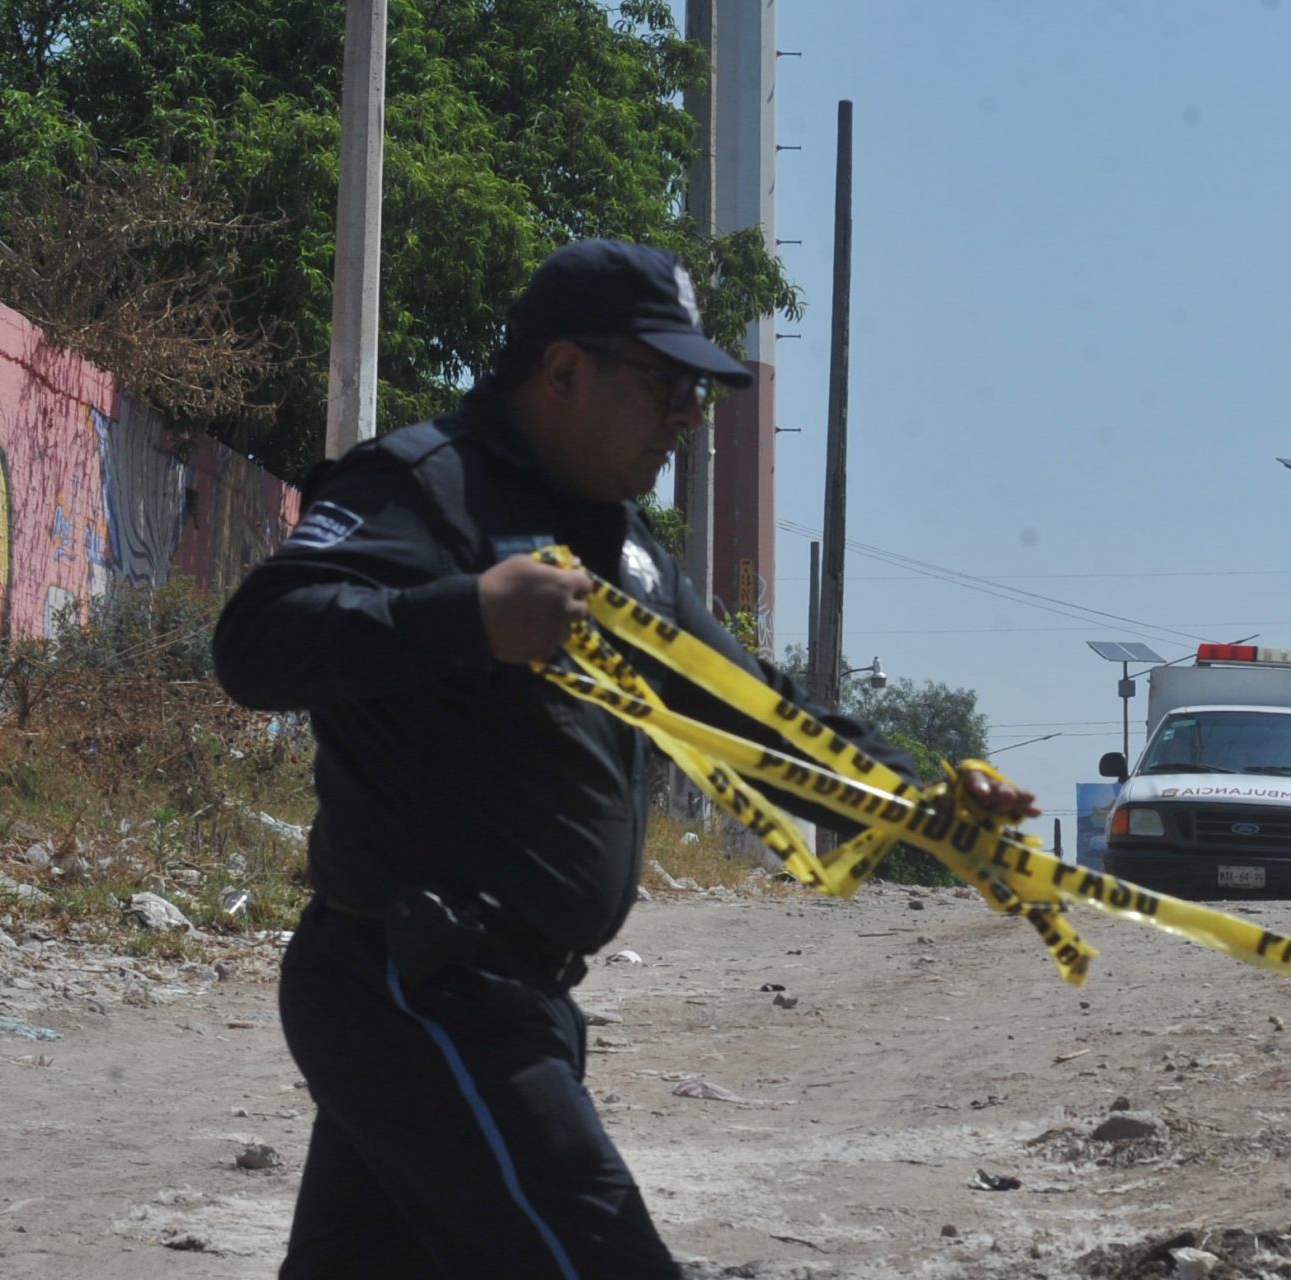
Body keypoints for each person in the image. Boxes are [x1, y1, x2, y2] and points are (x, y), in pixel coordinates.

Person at [212, 240, 1040, 1278]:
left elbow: (756, 717)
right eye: (664, 384)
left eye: (697, 391)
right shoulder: (425, 487)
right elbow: (256, 641)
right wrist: (466, 615)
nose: (688, 416)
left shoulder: (626, 549)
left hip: (505, 996)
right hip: (420, 988)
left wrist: (917, 800)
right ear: (563, 371)